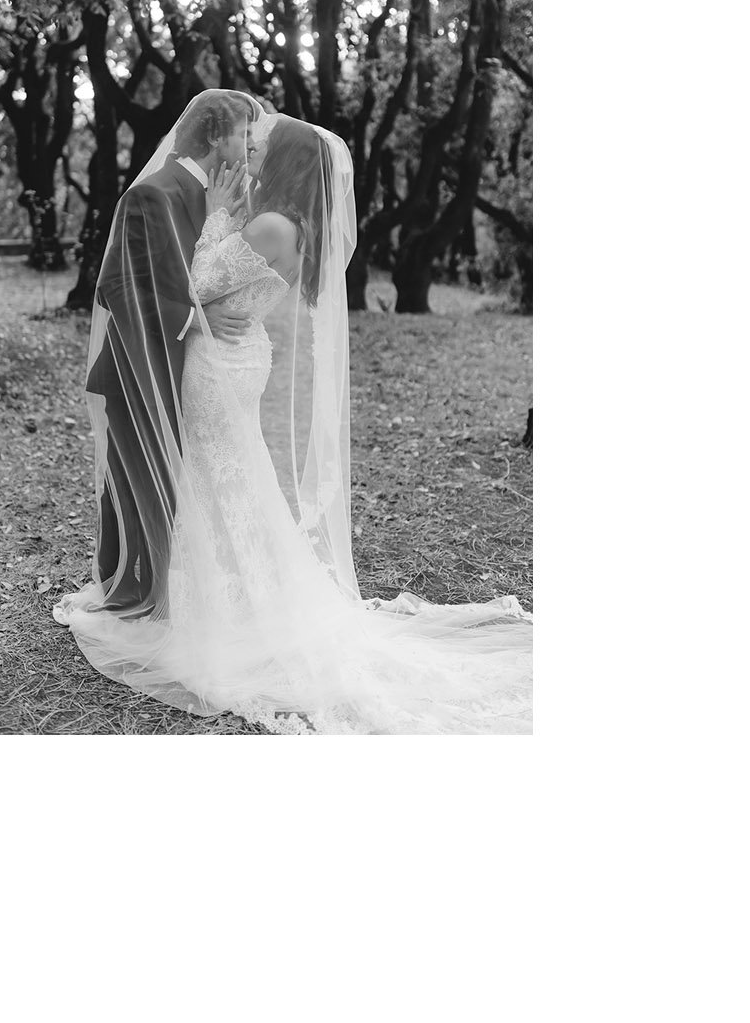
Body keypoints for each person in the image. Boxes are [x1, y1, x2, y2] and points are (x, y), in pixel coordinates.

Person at [56, 110, 533, 734]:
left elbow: (196, 280)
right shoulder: (293, 223)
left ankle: (228, 607)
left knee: (218, 478)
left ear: (283, 163)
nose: (249, 150)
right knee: (233, 478)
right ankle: (226, 590)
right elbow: (215, 290)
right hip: (238, 355)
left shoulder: (270, 224)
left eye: (260, 147)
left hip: (219, 365)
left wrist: (219, 213)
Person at [81, 89, 261, 616]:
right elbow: (116, 286)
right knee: (142, 479)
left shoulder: (218, 196)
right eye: (243, 135)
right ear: (213, 135)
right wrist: (194, 317)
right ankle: (137, 586)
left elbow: (206, 271)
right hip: (142, 367)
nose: (250, 146)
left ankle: (176, 584)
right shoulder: (152, 194)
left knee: (180, 481)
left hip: (189, 365)